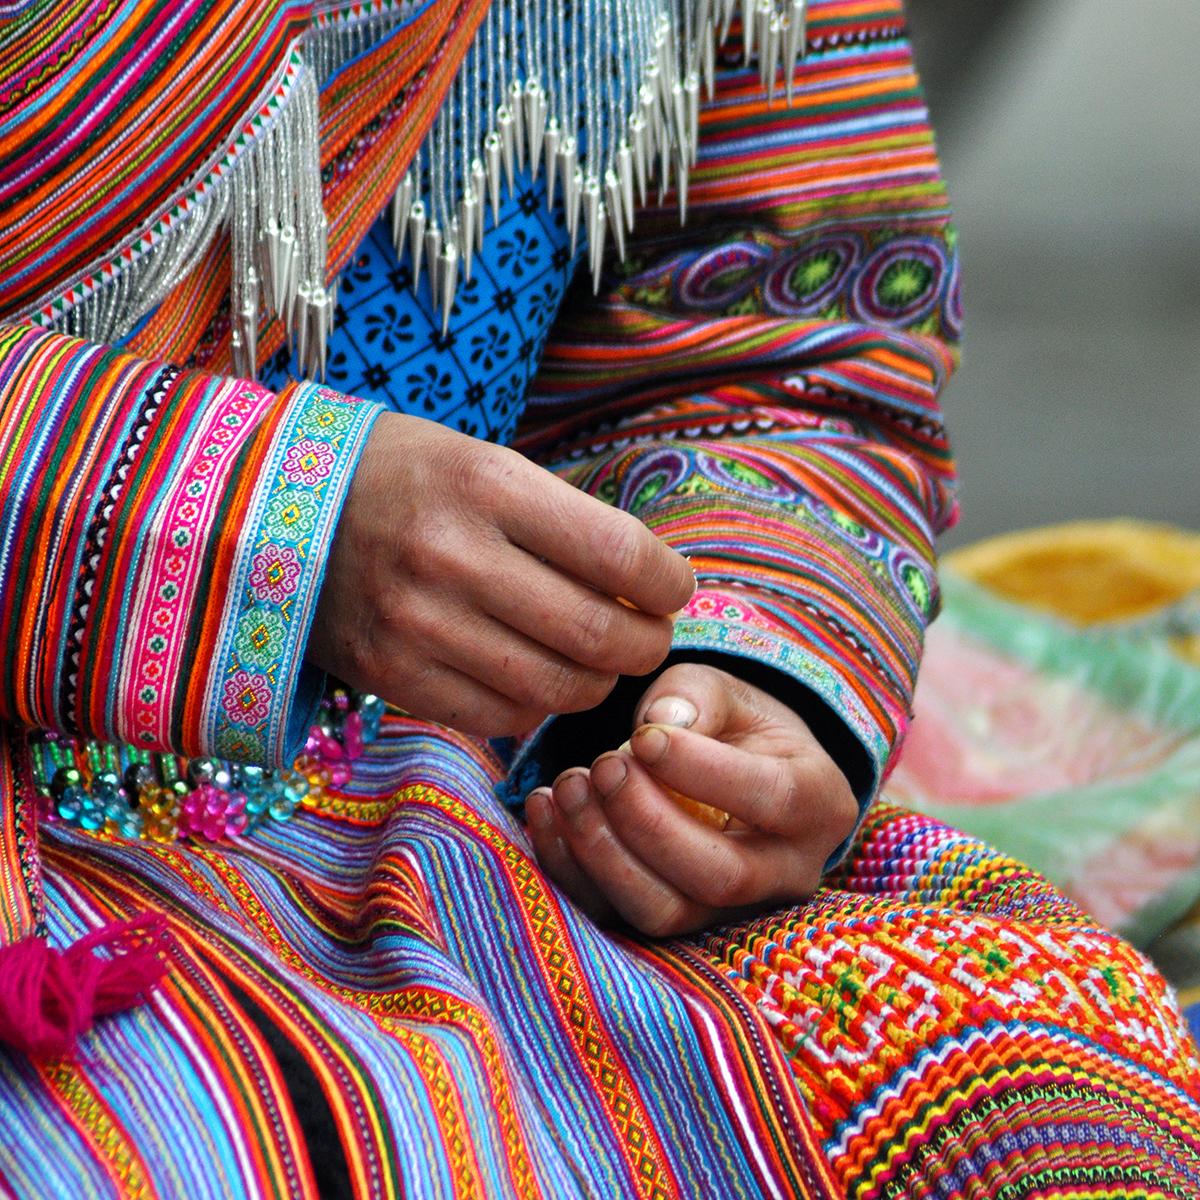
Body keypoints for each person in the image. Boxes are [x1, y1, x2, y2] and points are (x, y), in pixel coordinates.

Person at [0, 1, 1197, 1196]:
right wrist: (264, 524)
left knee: (1050, 1098)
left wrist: (737, 676)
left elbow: (780, 335)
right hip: (45, 875)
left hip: (478, 792)